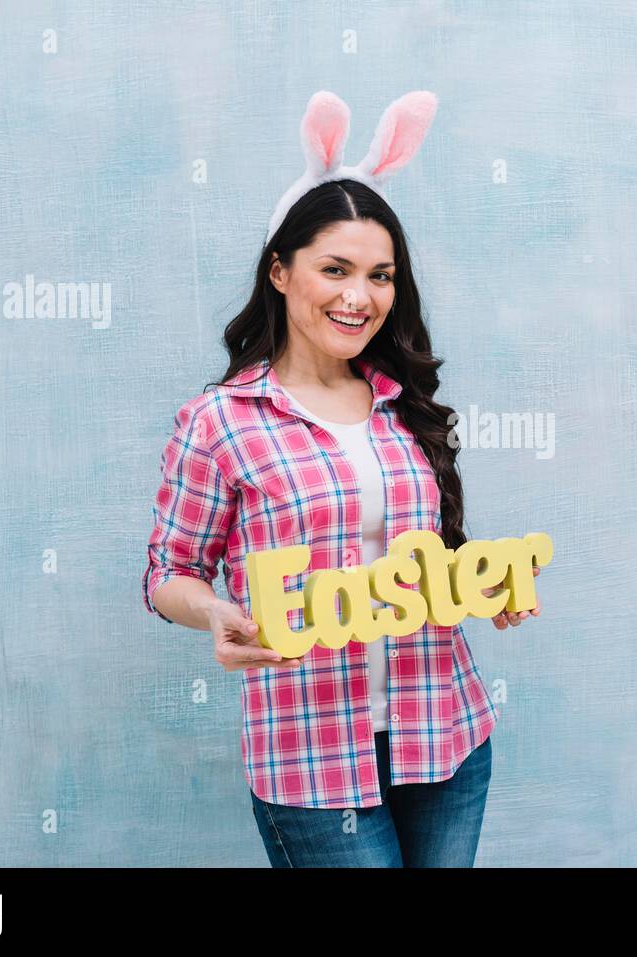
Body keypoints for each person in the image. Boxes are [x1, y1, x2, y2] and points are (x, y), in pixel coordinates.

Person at [142, 91, 542, 867]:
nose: (360, 296)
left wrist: (480, 584)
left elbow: (423, 561)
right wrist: (216, 613)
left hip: (446, 737)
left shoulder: (403, 404)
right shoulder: (219, 422)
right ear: (281, 271)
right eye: (335, 269)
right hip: (313, 757)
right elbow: (169, 570)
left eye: (380, 274)